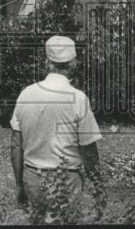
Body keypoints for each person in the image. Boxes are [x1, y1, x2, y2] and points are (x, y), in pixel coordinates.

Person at [9, 35, 102, 218]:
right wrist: (98, 186)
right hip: (67, 180)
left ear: (47, 62)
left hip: (33, 178)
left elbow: (15, 145)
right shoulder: (78, 99)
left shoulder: (26, 95)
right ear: (73, 63)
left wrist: (19, 183)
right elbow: (89, 151)